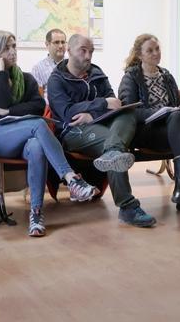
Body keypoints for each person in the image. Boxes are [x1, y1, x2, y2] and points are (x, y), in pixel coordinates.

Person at [0, 30, 99, 237]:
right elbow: (1, 99)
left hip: (25, 138)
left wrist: (7, 112)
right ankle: (71, 178)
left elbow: (38, 106)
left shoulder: (26, 79)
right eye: (7, 48)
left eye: (14, 46)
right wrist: (1, 71)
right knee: (38, 124)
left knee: (37, 146)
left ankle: (36, 214)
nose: (13, 51)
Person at [47, 34, 154, 227]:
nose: (88, 56)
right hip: (72, 132)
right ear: (69, 51)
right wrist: (100, 104)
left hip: (100, 124)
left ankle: (113, 152)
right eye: (83, 50)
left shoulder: (97, 73)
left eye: (91, 51)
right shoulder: (56, 79)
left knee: (128, 114)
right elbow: (67, 113)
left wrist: (91, 114)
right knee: (114, 145)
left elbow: (115, 103)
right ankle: (127, 206)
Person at [118, 34, 180, 216]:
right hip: (146, 133)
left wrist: (178, 113)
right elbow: (129, 111)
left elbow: (178, 105)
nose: (155, 53)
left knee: (179, 120)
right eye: (150, 51)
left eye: (157, 49)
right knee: (178, 122)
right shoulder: (131, 77)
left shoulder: (166, 75)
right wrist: (160, 113)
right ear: (140, 55)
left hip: (171, 132)